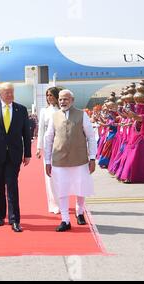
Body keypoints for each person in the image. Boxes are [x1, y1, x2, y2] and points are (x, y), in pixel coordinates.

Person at [0, 82, 31, 232]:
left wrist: (27, 153)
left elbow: (26, 134)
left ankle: (15, 220)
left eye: (12, 92)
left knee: (12, 187)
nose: (10, 95)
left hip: (14, 155)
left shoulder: (21, 109)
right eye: (7, 92)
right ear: (0, 94)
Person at [44, 90, 97, 232]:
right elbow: (48, 139)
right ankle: (65, 220)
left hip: (79, 159)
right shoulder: (54, 116)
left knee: (81, 187)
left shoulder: (82, 114)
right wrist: (47, 161)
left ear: (72, 100)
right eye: (61, 99)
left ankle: (80, 212)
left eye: (66, 99)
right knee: (62, 190)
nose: (62, 102)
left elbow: (91, 137)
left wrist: (92, 158)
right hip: (59, 160)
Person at [36, 87, 61, 214]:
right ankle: (54, 203)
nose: (49, 97)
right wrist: (39, 147)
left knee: (61, 175)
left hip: (62, 146)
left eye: (51, 95)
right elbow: (41, 130)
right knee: (50, 175)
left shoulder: (63, 110)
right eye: (47, 95)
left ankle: (62, 201)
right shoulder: (44, 111)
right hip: (48, 146)